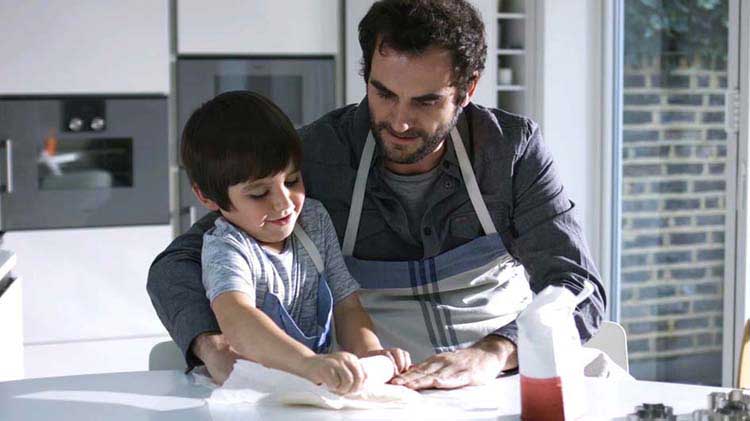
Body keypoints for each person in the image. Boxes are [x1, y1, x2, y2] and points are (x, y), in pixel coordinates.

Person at [148, 0, 606, 390]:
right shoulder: (313, 157)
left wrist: (493, 352)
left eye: (425, 101)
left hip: (498, 384)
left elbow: (578, 287)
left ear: (467, 90)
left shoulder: (511, 151)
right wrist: (211, 343)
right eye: (383, 94)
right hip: (378, 393)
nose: (399, 122)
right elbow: (177, 264)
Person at [178, 90, 410, 394]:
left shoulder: (313, 220)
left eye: (292, 181)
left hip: (314, 389)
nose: (284, 204)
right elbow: (237, 318)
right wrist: (307, 363)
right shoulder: (226, 246)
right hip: (253, 397)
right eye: (259, 193)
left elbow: (347, 306)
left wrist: (370, 353)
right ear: (206, 197)